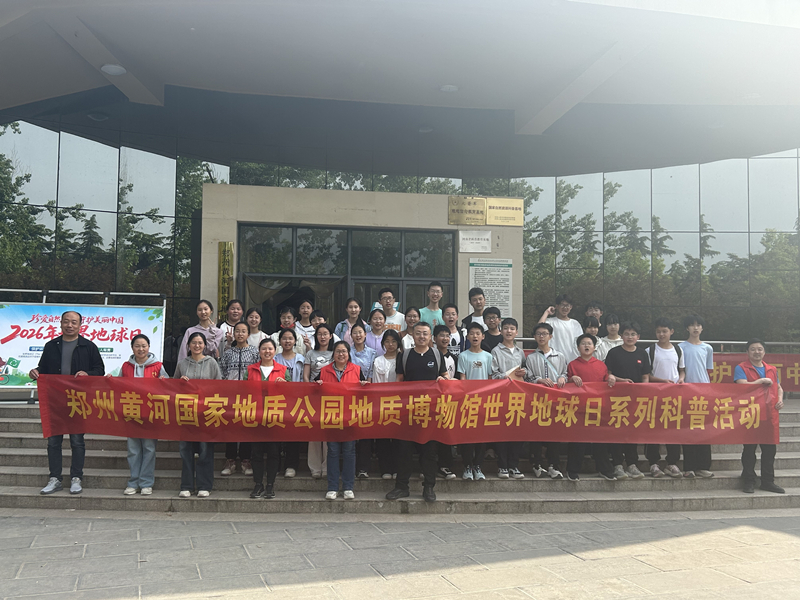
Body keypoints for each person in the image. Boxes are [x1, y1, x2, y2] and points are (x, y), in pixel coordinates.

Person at [32, 311, 105, 495]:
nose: (70, 325)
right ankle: (55, 478)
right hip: (55, 401)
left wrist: (88, 374)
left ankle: (76, 477)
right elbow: (43, 368)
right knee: (53, 442)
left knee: (77, 441)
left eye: (74, 322)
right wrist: (35, 371)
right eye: (66, 322)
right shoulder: (51, 346)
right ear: (61, 323)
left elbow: (99, 370)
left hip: (78, 401)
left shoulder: (88, 346)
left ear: (80, 325)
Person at [386, 322, 449, 502]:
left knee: (429, 452)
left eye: (425, 334)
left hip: (430, 412)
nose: (422, 336)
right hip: (408, 411)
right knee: (404, 450)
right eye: (418, 333)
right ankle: (401, 487)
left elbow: (445, 377)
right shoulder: (405, 355)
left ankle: (429, 487)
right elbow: (399, 380)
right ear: (412, 335)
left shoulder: (436, 355)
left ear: (430, 337)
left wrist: (443, 379)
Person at [114, 334, 168, 496]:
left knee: (149, 449)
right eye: (137, 346)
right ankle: (133, 482)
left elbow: (167, 387)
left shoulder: (158, 366)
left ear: (149, 347)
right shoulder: (125, 366)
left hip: (151, 414)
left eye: (144, 346)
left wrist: (165, 381)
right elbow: (117, 385)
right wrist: (110, 380)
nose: (141, 349)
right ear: (132, 348)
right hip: (131, 412)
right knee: (133, 450)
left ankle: (146, 483)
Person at [174, 332, 222, 498]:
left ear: (205, 345)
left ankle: (204, 485)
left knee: (204, 450)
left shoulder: (212, 363)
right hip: (186, 413)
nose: (197, 345)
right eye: (193, 342)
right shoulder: (182, 364)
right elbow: (172, 388)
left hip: (206, 414)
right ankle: (186, 485)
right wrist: (180, 383)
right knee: (185, 450)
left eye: (200, 343)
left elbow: (219, 387)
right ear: (188, 345)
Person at [317, 340, 367, 500]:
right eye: (338, 351)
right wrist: (317, 384)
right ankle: (332, 487)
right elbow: (314, 391)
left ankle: (348, 487)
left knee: (349, 451)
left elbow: (365, 391)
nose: (341, 354)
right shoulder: (324, 371)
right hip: (331, 416)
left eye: (344, 351)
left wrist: (364, 385)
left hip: (350, 417)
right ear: (333, 354)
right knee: (332, 451)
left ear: (348, 354)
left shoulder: (357, 370)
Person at [735, 339, 785, 494]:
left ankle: (768, 481)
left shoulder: (772, 369)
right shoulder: (741, 367)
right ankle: (749, 480)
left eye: (760, 349)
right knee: (749, 449)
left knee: (769, 449)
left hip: (769, 414)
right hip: (751, 413)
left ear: (764, 352)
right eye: (753, 349)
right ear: (747, 352)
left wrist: (780, 399)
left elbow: (778, 387)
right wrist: (761, 381)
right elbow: (741, 386)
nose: (757, 352)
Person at [567, 333, 617, 481]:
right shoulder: (572, 365)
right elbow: (566, 384)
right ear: (578, 348)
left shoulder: (601, 365)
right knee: (577, 441)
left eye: (589, 343)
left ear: (594, 347)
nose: (586, 346)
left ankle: (604, 469)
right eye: (583, 343)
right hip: (578, 408)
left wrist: (611, 378)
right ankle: (572, 470)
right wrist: (571, 379)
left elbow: (606, 382)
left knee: (600, 440)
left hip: (597, 408)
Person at [604, 321, 649, 480]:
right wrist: (621, 380)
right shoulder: (614, 353)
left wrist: (644, 392)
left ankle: (632, 464)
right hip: (616, 398)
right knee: (616, 430)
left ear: (638, 337)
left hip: (635, 400)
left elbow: (645, 377)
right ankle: (617, 464)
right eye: (627, 334)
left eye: (633, 334)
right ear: (621, 336)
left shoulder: (642, 354)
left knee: (632, 430)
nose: (630, 337)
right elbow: (607, 374)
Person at [525, 322, 567, 480]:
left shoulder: (559, 356)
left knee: (554, 433)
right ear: (534, 337)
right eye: (538, 334)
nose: (541, 337)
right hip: (537, 400)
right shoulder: (531, 357)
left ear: (550, 336)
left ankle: (554, 465)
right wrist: (539, 380)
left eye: (544, 334)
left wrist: (562, 377)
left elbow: (565, 373)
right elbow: (527, 377)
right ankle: (537, 464)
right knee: (536, 433)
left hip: (555, 400)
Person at [246, 339, 287, 498]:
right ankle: (258, 484)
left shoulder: (283, 370)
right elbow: (242, 391)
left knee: (273, 452)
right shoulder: (250, 370)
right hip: (255, 416)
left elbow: (291, 394)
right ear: (259, 351)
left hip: (275, 417)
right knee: (256, 452)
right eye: (264, 348)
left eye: (270, 348)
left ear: (275, 351)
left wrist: (285, 384)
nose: (267, 351)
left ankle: (270, 484)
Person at [644, 318, 685, 479]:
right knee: (653, 429)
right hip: (655, 395)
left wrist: (681, 379)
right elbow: (646, 375)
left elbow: (682, 370)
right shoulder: (650, 350)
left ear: (671, 332)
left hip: (674, 396)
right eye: (659, 331)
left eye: (665, 331)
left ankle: (671, 462)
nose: (661, 334)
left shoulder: (678, 350)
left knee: (673, 429)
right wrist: (662, 382)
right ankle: (653, 462)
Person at [219, 322, 259, 476]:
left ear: (248, 334)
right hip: (231, 395)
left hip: (249, 396)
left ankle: (245, 460)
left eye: (243, 331)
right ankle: (230, 460)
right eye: (237, 331)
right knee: (231, 427)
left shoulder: (255, 352)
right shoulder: (228, 353)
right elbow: (222, 372)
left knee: (246, 427)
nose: (240, 334)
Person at [491, 317, 527, 479]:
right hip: (502, 396)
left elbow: (526, 372)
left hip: (518, 397)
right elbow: (493, 374)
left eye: (512, 329)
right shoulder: (495, 351)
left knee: (517, 431)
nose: (509, 331)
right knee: (502, 431)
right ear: (501, 331)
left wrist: (524, 372)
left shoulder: (520, 352)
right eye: (506, 328)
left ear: (517, 332)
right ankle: (502, 466)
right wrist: (505, 377)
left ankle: (514, 465)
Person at [680, 314, 715, 479]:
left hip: (704, 392)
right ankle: (689, 467)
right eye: (692, 325)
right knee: (688, 430)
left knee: (704, 430)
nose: (695, 328)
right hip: (686, 392)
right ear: (687, 328)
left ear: (702, 328)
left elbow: (707, 370)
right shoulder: (680, 347)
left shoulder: (707, 348)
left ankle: (703, 466)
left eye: (698, 325)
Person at [458, 323, 492, 481]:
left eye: (478, 333)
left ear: (483, 336)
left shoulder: (488, 356)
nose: (475, 336)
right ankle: (467, 466)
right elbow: (462, 378)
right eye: (472, 333)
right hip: (468, 401)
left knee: (481, 436)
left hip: (484, 401)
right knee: (467, 436)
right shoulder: (463, 356)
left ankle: (478, 466)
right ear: (468, 337)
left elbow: (490, 379)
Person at [274, 327, 306, 478]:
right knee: (277, 433)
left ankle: (291, 466)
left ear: (295, 341)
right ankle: (276, 465)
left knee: (293, 434)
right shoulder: (274, 359)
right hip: (278, 401)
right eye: (284, 338)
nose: (287, 341)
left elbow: (304, 379)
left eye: (290, 338)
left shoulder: (301, 359)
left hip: (296, 400)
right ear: (280, 341)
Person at [304, 324, 335, 478]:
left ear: (331, 336)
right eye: (320, 334)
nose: (323, 337)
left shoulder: (335, 353)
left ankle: (327, 466)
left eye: (325, 333)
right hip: (314, 396)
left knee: (329, 433)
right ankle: (315, 467)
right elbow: (306, 375)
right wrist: (310, 389)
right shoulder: (310, 353)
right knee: (315, 432)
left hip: (332, 397)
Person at [371, 329, 401, 480]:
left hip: (400, 404)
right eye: (387, 342)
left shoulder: (403, 359)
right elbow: (376, 383)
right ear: (383, 344)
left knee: (398, 439)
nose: (390, 345)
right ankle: (385, 469)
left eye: (394, 341)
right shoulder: (378, 361)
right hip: (382, 403)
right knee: (383, 438)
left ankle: (397, 469)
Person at [350, 322, 376, 478]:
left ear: (365, 335)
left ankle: (363, 468)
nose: (358, 335)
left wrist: (367, 387)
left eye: (360, 332)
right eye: (355, 333)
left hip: (366, 396)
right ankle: (350, 467)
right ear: (351, 336)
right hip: (349, 396)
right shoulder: (346, 352)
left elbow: (371, 372)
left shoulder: (372, 353)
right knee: (351, 433)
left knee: (365, 432)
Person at [432, 324, 457, 480]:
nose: (445, 338)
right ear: (434, 338)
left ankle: (445, 466)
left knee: (446, 433)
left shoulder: (454, 358)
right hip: (431, 401)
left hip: (449, 401)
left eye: (447, 336)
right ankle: (428, 466)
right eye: (441, 335)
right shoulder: (430, 355)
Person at [539, 294, 583, 363]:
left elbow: (581, 342)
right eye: (562, 305)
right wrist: (547, 312)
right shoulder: (550, 322)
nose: (565, 308)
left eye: (567, 305)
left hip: (572, 361)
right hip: (553, 360)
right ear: (557, 306)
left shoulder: (575, 324)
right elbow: (539, 328)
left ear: (571, 307)